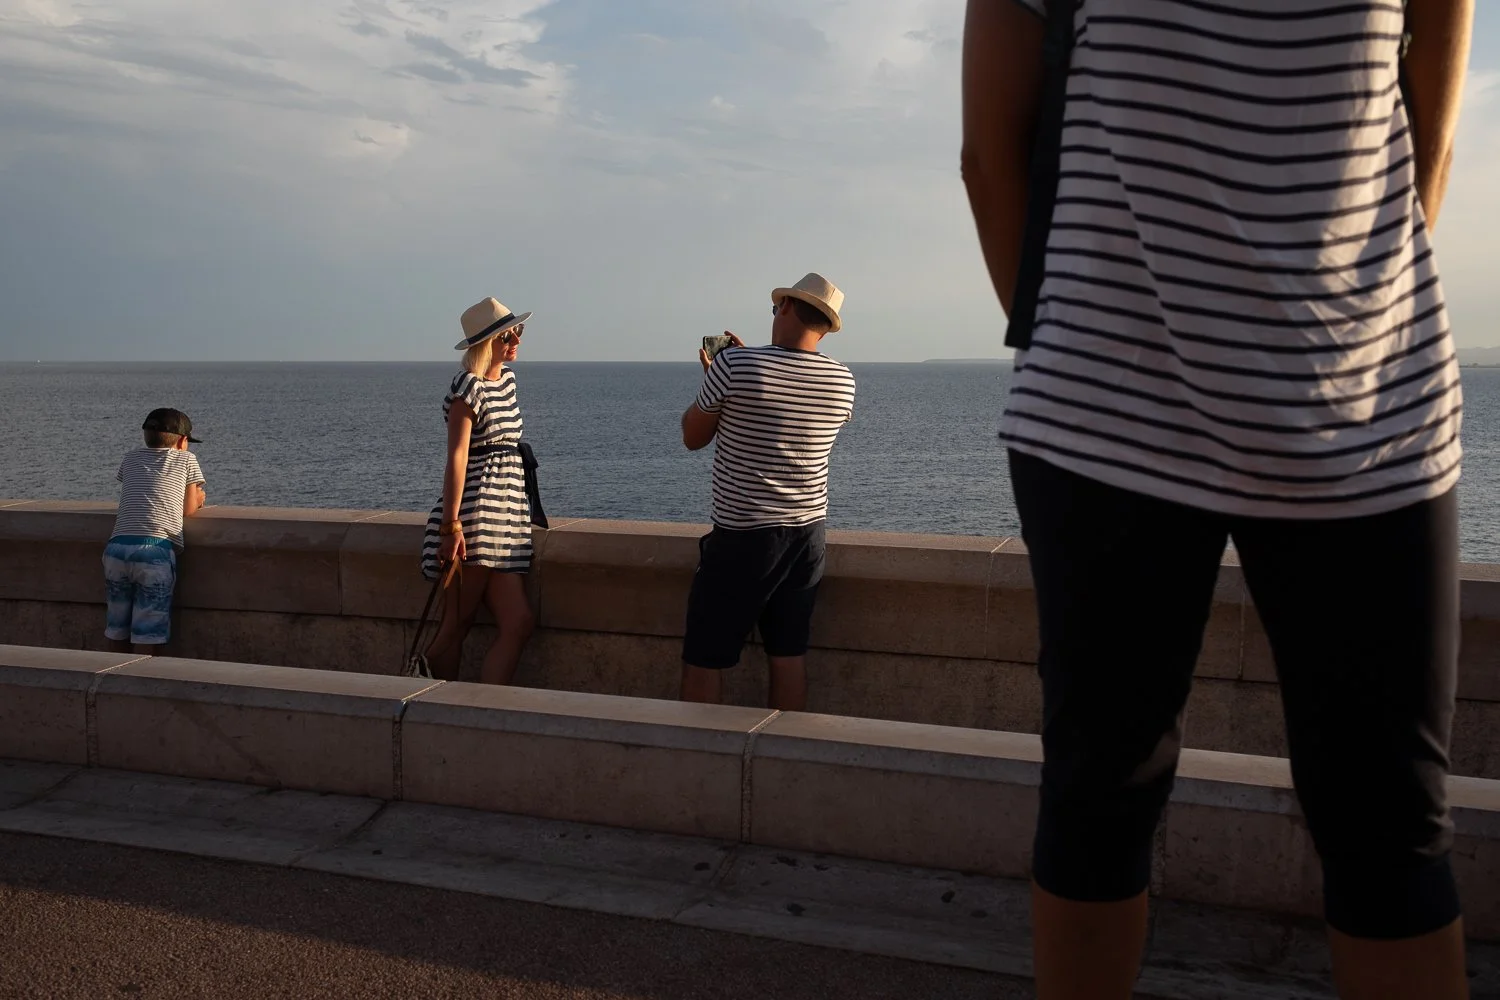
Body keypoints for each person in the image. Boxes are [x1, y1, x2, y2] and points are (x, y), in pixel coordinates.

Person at [961, 1, 1474, 997]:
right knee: (1390, 830)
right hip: (1366, 407)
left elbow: (990, 155)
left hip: (1106, 411)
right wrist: (1336, 319)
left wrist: (1087, 332)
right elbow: (1431, 138)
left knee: (1097, 800)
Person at [678, 273, 857, 711]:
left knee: (704, 659)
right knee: (788, 656)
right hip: (807, 537)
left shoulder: (734, 365)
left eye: (776, 307)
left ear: (788, 307)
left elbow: (693, 437)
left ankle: (698, 748)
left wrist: (718, 377)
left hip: (743, 537)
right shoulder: (843, 380)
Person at [419, 297, 538, 685]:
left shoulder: (508, 381)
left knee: (519, 622)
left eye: (518, 331)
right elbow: (457, 457)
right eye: (507, 335)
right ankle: (429, 695)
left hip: (507, 518)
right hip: (478, 516)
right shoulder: (466, 388)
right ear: (487, 343)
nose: (516, 340)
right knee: (457, 623)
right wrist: (451, 527)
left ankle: (484, 707)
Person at [103, 408, 207, 654]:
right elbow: (188, 508)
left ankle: (113, 672)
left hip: (116, 549)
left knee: (117, 627)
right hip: (154, 550)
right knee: (148, 631)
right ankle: (140, 675)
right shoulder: (186, 459)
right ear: (182, 441)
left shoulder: (130, 458)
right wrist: (200, 498)